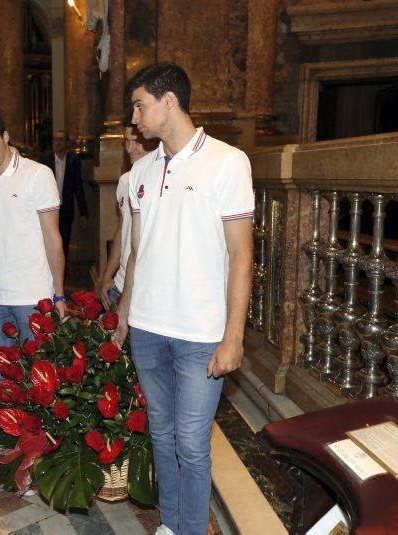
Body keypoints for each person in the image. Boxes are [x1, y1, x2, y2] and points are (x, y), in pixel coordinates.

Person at [115, 63, 254, 535]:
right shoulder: (138, 172)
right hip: (149, 329)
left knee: (192, 446)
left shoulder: (228, 161)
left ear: (168, 101)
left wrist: (234, 337)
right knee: (160, 435)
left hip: (199, 334)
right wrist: (123, 315)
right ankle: (171, 526)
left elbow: (241, 255)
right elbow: (137, 254)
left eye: (140, 105)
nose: (134, 117)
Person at [0, 109, 66, 488]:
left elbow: (53, 238)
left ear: (6, 136)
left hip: (34, 296)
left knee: (41, 382)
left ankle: (38, 460)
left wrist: (57, 294)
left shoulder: (38, 175)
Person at [97, 122, 156, 307]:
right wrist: (106, 277)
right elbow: (122, 231)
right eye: (126, 141)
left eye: (136, 141)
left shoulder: (163, 182)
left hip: (147, 289)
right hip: (120, 284)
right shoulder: (125, 181)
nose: (130, 149)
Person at [40, 130, 88, 261]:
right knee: (48, 241)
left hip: (66, 209)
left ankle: (62, 274)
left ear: (67, 142)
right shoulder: (45, 159)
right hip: (48, 209)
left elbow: (78, 187)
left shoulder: (74, 161)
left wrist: (84, 213)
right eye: (55, 139)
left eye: (61, 140)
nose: (58, 142)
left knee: (64, 242)